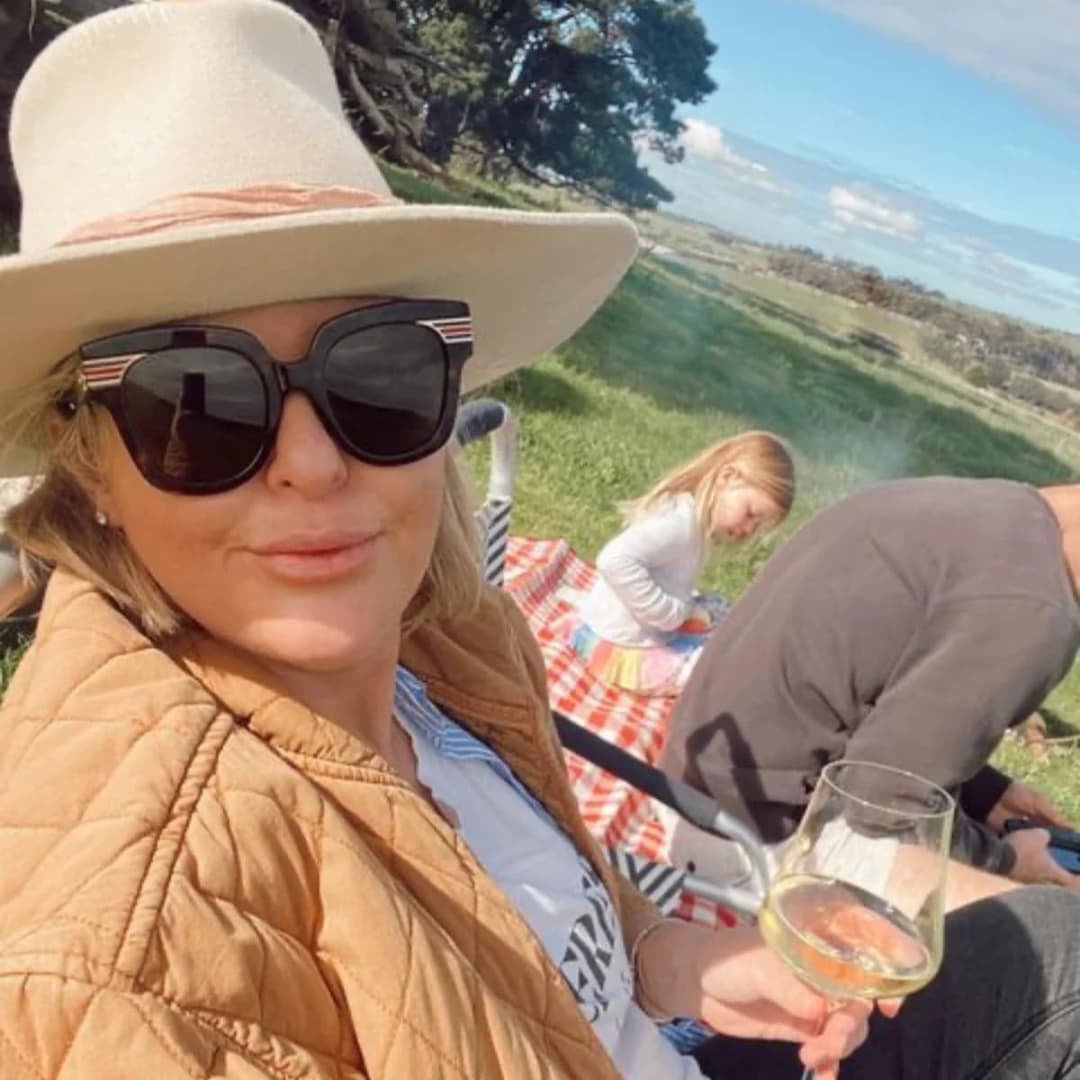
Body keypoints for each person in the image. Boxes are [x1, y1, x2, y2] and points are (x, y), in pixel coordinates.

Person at [1, 5, 1080, 1079]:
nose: (314, 464)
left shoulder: (444, 644)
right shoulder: (131, 961)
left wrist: (671, 959)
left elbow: (532, 902)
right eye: (198, 402)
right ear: (87, 462)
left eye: (378, 373)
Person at [661, 475, 1080, 892]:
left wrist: (985, 794)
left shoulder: (982, 503)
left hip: (695, 769)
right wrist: (1005, 861)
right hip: (744, 832)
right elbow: (885, 804)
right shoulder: (1039, 609)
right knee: (1040, 914)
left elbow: (881, 697)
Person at [569, 432, 794, 695]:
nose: (748, 530)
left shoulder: (692, 521)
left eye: (758, 525)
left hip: (620, 633)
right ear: (728, 477)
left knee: (719, 610)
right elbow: (614, 560)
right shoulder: (680, 527)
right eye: (750, 514)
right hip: (617, 648)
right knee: (713, 671)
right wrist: (669, 614)